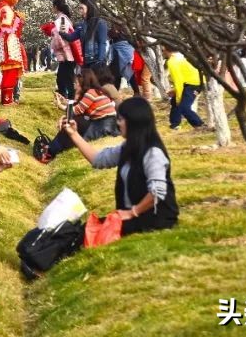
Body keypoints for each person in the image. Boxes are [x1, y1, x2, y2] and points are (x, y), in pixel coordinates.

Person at [58, 97, 179, 235]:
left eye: (121, 119)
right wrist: (73, 134)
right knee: (78, 232)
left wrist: (132, 212)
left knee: (88, 235)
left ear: (134, 122)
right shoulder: (128, 147)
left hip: (154, 220)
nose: (118, 123)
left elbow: (157, 192)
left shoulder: (153, 152)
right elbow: (99, 159)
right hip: (132, 216)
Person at [41, 68, 119, 161]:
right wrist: (64, 101)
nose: (74, 86)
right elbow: (78, 105)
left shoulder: (90, 93)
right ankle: (52, 149)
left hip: (103, 125)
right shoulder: (95, 91)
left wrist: (60, 105)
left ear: (83, 83)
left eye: (76, 83)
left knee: (74, 127)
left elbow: (76, 110)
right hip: (107, 123)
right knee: (74, 123)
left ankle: (51, 150)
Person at [0, 0, 27, 105]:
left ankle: (8, 99)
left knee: (9, 72)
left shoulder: (1, 7)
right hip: (9, 44)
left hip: (6, 43)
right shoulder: (6, 8)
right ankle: (7, 100)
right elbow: (6, 28)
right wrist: (19, 20)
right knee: (10, 72)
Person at [162, 45, 205, 130]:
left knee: (184, 107)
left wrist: (178, 97)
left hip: (195, 84)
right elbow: (183, 77)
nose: (162, 52)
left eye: (163, 50)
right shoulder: (178, 57)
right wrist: (175, 92)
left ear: (168, 50)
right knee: (175, 102)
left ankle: (199, 125)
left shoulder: (172, 62)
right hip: (189, 83)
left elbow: (178, 81)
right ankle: (175, 124)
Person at [61, 0, 109, 72]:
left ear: (89, 8)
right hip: (86, 62)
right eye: (79, 8)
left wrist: (100, 61)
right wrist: (62, 32)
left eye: (82, 8)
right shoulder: (82, 24)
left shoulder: (100, 23)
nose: (79, 10)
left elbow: (102, 43)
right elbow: (71, 38)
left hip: (96, 62)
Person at [48, 0, 78, 99]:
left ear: (55, 7)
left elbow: (62, 36)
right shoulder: (62, 18)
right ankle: (64, 97)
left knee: (66, 77)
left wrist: (52, 35)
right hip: (66, 53)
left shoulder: (61, 19)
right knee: (62, 77)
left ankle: (70, 99)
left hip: (67, 53)